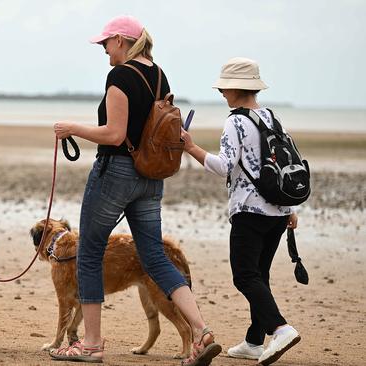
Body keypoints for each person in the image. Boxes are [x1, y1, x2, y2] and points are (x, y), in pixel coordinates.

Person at [50, 15, 221, 365]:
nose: (103, 50)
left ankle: (92, 343)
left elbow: (114, 134)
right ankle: (201, 329)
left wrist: (73, 128)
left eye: (105, 43)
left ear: (120, 41)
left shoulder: (120, 74)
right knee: (154, 256)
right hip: (151, 175)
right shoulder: (159, 74)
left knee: (89, 253)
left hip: (116, 172)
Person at [180, 57, 301, 365]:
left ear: (235, 88)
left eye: (224, 88)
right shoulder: (271, 117)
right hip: (278, 209)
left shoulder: (235, 121)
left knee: (244, 276)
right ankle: (253, 342)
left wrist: (189, 147)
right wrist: (290, 207)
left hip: (250, 211)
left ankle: (281, 328)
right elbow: (283, 162)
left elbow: (223, 167)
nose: (222, 94)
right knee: (260, 274)